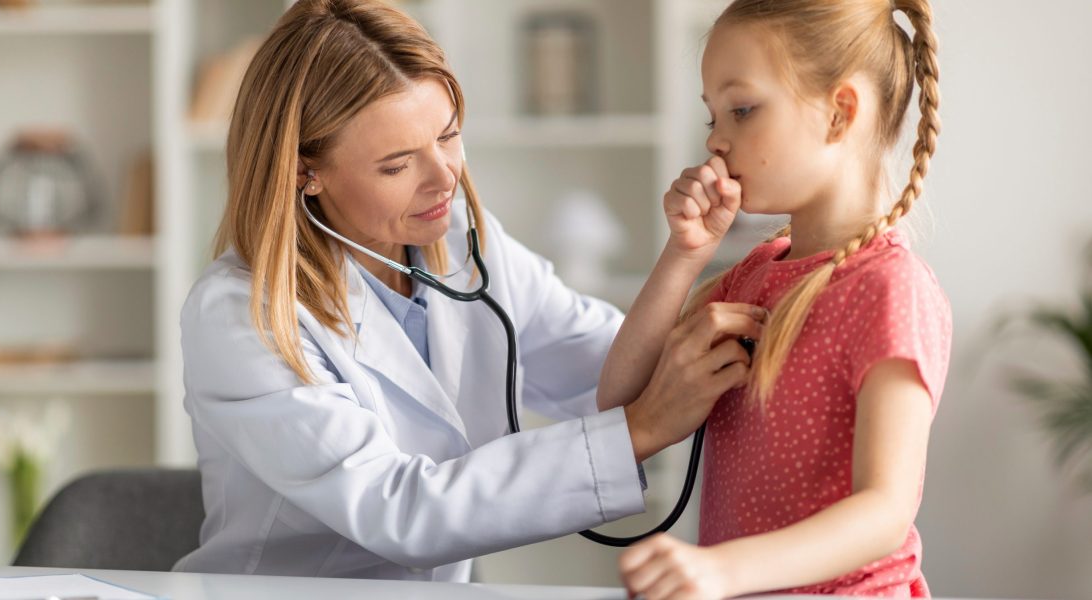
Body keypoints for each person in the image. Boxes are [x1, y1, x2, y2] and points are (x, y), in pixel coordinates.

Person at [172, 0, 762, 582]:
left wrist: (686, 256)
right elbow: (401, 510)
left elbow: (612, 366)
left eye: (448, 136)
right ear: (305, 172)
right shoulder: (240, 315)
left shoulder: (468, 247)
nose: (445, 177)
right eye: (398, 164)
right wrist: (639, 432)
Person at [602, 0, 952, 597]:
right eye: (713, 114)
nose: (715, 139)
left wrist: (721, 569)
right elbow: (622, 399)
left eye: (741, 109)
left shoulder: (889, 288)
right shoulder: (757, 273)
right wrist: (684, 254)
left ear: (840, 114)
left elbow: (885, 510)